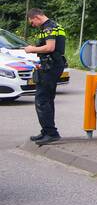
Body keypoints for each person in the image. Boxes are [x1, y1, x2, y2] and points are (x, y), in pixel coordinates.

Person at [24, 8, 67, 145]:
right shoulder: (54, 26)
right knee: (48, 99)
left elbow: (50, 47)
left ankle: (51, 133)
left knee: (42, 100)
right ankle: (47, 131)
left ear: (36, 17)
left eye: (32, 22)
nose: (33, 25)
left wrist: (32, 49)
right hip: (52, 65)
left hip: (51, 67)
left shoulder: (49, 27)